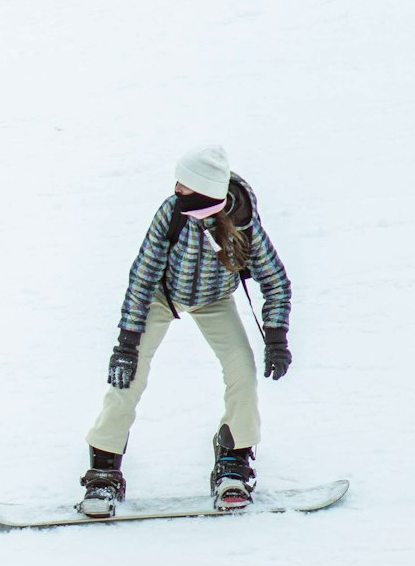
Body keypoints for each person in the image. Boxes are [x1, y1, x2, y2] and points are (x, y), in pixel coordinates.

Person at [80, 144, 292, 516]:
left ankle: (234, 460)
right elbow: (142, 277)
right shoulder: (171, 213)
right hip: (164, 296)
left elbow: (275, 280)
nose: (175, 190)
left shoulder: (243, 223)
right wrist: (127, 344)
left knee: (242, 370)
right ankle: (104, 470)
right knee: (129, 375)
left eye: (184, 186)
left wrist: (276, 337)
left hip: (214, 300)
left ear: (206, 192)